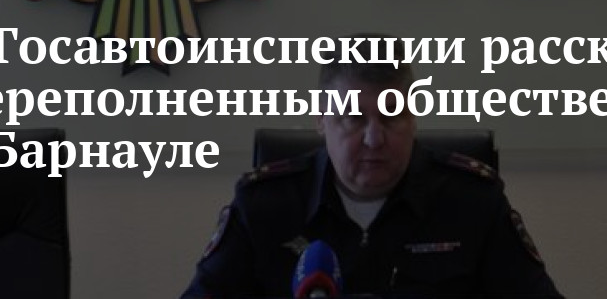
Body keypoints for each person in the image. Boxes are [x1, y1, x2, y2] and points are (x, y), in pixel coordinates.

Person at [181, 40, 563, 298]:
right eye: (353, 118)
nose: (374, 138)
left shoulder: (472, 201)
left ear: (414, 117)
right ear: (321, 119)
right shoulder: (264, 205)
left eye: (391, 115)